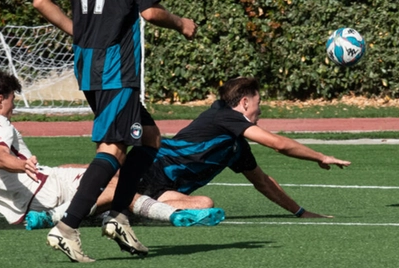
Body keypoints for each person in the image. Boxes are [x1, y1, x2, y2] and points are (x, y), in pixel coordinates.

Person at [33, 0, 197, 263]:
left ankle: (119, 215)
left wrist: (77, 29)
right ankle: (67, 226)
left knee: (151, 138)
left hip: (87, 63)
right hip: (115, 66)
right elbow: (151, 11)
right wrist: (181, 23)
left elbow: (41, 0)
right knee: (114, 146)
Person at [0, 71, 223, 230]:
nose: (13, 108)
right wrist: (19, 165)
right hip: (46, 193)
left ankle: (99, 213)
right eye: (11, 101)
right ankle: (174, 217)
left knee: (99, 173)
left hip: (31, 200)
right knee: (117, 186)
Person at [139, 76, 350, 218]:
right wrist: (321, 157)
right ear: (245, 102)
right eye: (259, 103)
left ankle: (130, 209)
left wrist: (301, 212)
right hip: (149, 171)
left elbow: (263, 182)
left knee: (204, 204)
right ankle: (126, 205)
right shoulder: (223, 116)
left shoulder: (235, 146)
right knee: (203, 206)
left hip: (163, 189)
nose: (260, 111)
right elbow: (278, 145)